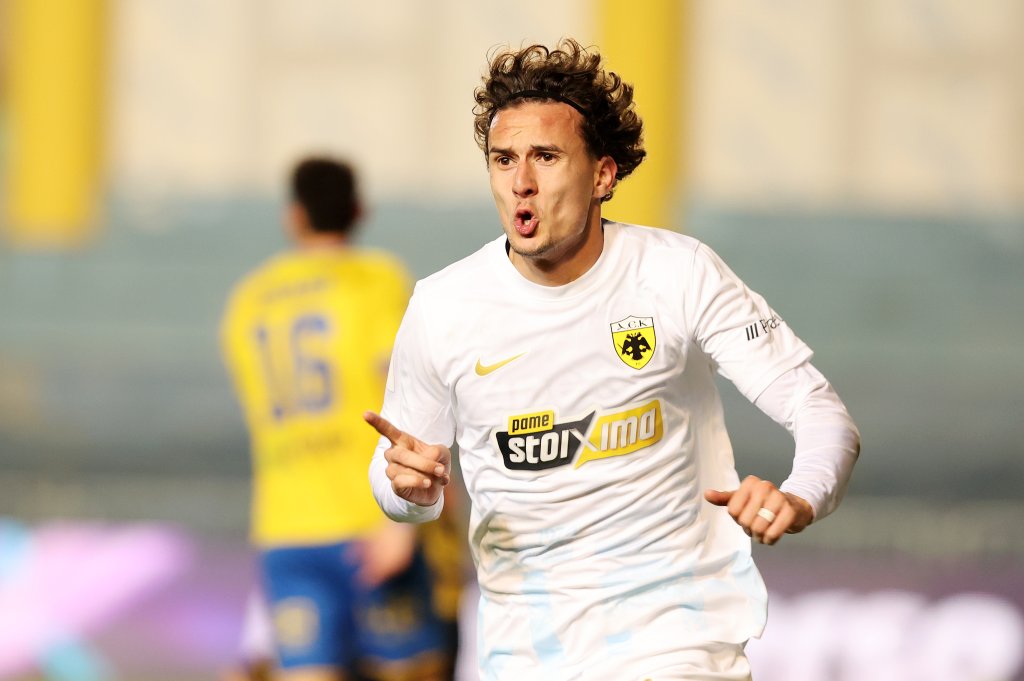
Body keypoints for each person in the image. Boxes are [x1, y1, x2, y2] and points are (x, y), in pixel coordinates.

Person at [364, 39, 861, 681]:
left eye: (546, 157)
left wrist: (798, 497)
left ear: (602, 175)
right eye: (503, 159)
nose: (521, 182)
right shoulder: (443, 307)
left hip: (677, 641)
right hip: (526, 655)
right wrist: (408, 492)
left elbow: (820, 412)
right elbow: (397, 475)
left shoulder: (679, 273)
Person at [221, 157, 454, 681]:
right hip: (369, 520)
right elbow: (409, 388)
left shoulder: (249, 301)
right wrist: (402, 522)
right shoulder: (375, 280)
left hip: (285, 528)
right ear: (358, 211)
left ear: (293, 216)